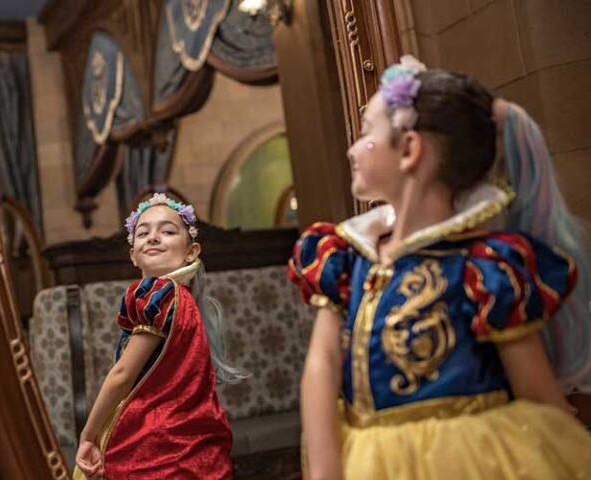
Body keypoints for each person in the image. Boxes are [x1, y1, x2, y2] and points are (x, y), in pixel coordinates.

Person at [288, 55, 591, 479]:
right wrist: (324, 470)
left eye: (365, 133)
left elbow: (536, 393)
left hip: (474, 461)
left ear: (410, 149)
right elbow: (321, 361)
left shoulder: (486, 268)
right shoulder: (346, 257)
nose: (352, 149)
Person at [74, 193, 247, 479]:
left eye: (167, 231)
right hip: (190, 437)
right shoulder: (184, 301)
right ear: (132, 254)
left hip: (155, 440)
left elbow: (122, 375)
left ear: (191, 252)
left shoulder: (159, 296)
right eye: (143, 233)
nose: (154, 237)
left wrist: (89, 433)